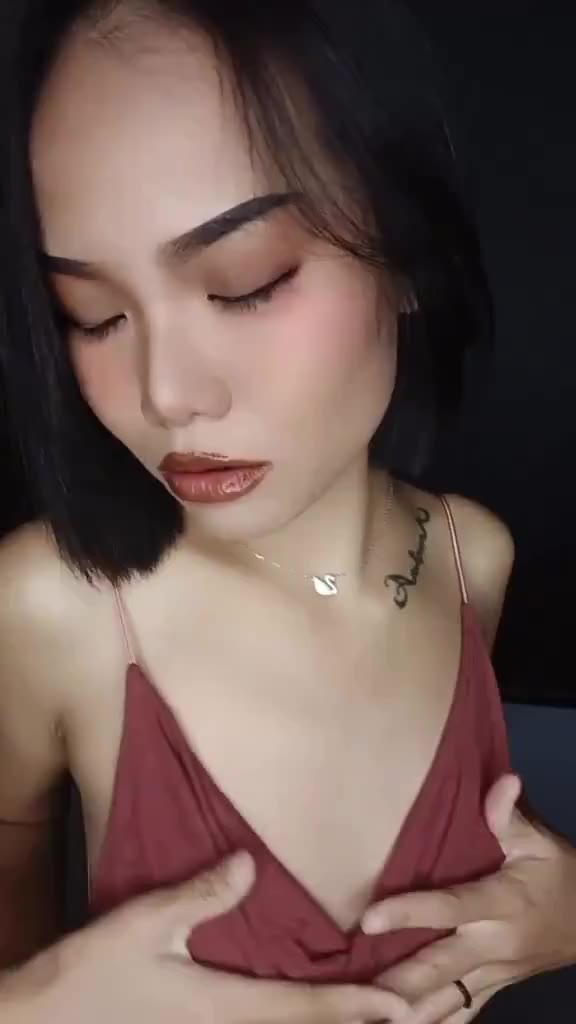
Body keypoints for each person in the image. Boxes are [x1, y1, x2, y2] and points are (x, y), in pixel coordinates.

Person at [1, 1, 575, 1022]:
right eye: (93, 315)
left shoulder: (470, 556)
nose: (168, 394)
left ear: (406, 252)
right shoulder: (52, 608)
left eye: (245, 283)